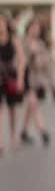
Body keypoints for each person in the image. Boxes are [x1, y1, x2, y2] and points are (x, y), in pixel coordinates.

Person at [20, 18, 53, 146]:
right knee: (33, 104)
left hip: (38, 80)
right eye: (33, 27)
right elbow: (21, 61)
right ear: (28, 29)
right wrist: (31, 53)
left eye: (38, 28)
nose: (36, 30)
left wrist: (51, 82)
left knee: (31, 106)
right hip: (26, 77)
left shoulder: (40, 44)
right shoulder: (23, 43)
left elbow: (46, 64)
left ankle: (24, 131)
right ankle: (43, 131)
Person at [0, 15, 25, 156]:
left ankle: (14, 134)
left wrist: (20, 79)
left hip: (11, 78)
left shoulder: (13, 40)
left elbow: (22, 60)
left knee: (12, 109)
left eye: (1, 22)